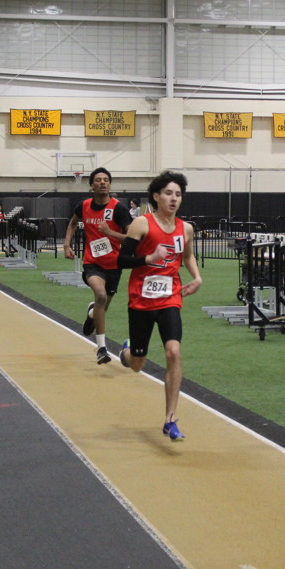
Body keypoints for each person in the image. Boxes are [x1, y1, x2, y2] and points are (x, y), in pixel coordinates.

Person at [116, 170, 202, 442]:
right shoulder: (141, 224)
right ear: (156, 196)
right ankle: (127, 353)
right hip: (141, 301)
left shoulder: (185, 228)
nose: (174, 199)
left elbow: (187, 256)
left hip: (170, 298)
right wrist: (149, 258)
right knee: (137, 365)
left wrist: (196, 277)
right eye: (168, 193)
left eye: (178, 194)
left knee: (173, 352)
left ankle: (170, 420)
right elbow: (122, 260)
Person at [63, 167, 133, 365]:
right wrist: (67, 244)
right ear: (91, 185)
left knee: (102, 306)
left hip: (114, 265)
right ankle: (102, 348)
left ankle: (92, 313)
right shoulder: (84, 206)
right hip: (92, 263)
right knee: (100, 295)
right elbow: (73, 223)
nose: (102, 182)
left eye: (106, 180)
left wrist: (110, 233)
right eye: (98, 180)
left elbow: (132, 238)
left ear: (110, 185)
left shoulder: (119, 209)